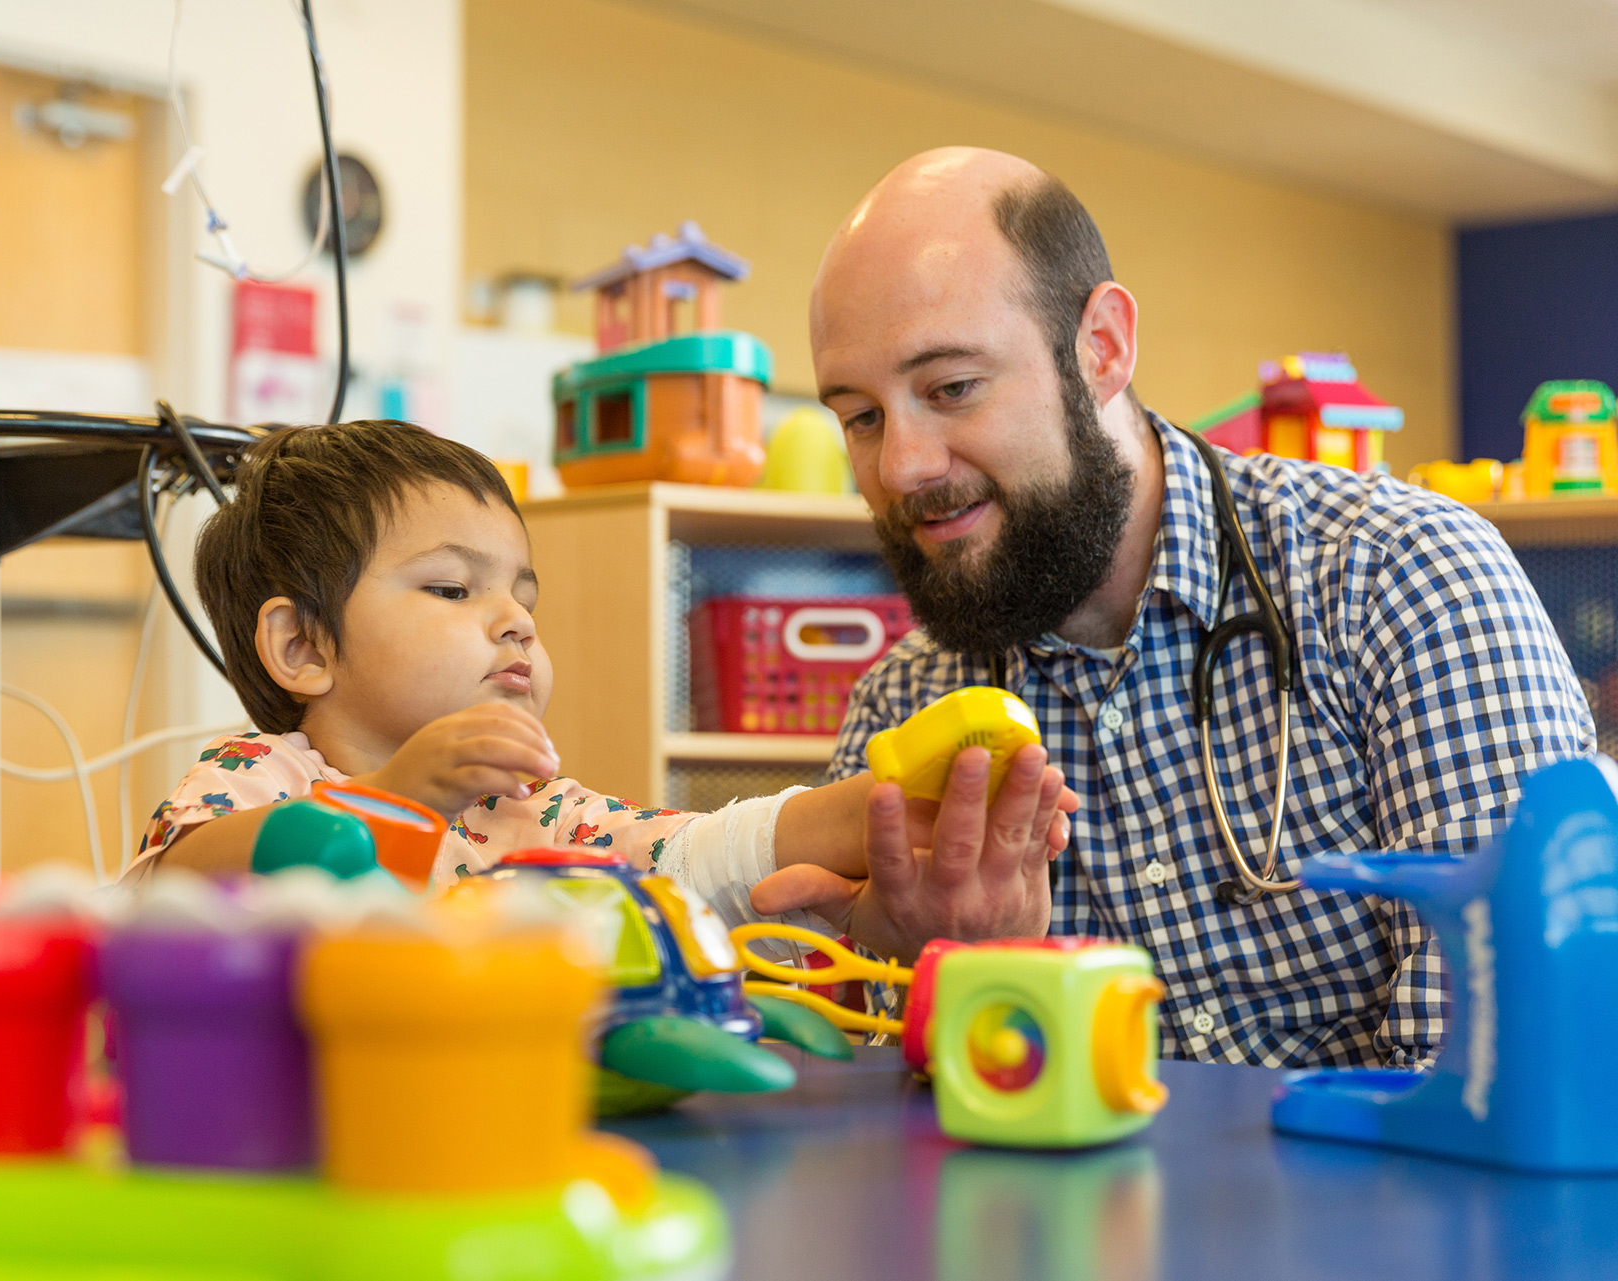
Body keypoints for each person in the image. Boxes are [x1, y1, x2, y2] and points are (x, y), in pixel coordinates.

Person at [756, 147, 1594, 1068]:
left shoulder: (1399, 581)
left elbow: (1506, 1072)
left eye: (952, 388)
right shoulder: (901, 712)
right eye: (861, 417)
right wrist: (974, 971)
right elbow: (924, 1145)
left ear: (1102, 348)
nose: (903, 466)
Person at [130, 418, 1076, 958]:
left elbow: (689, 854)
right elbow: (184, 889)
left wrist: (887, 814)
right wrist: (398, 800)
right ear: (302, 645)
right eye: (455, 589)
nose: (515, 620)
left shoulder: (535, 811)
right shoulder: (259, 778)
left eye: (521, 594)